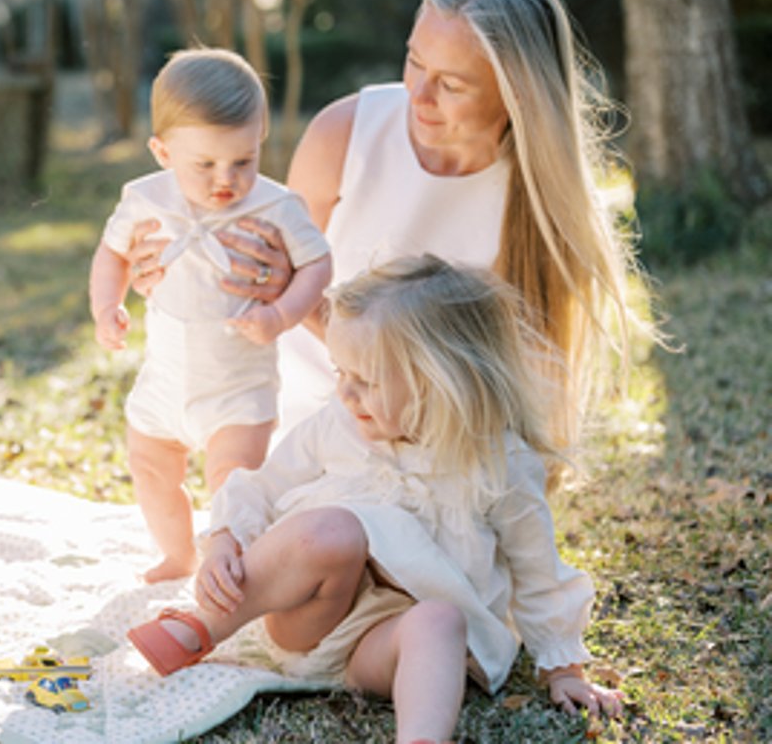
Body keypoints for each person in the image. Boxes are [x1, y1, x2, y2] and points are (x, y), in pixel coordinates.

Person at [121, 0, 643, 450]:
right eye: (415, 61)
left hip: (445, 441)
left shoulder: (539, 203)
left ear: (518, 95)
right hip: (313, 419)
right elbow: (242, 266)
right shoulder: (345, 135)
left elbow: (513, 392)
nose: (417, 95)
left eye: (452, 84)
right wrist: (165, 266)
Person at [125, 255, 623, 743]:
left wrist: (565, 669)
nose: (346, 393)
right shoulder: (340, 427)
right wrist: (224, 542)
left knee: (442, 620)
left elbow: (538, 572)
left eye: (366, 381)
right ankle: (202, 626)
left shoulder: (500, 465)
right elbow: (260, 487)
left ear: (441, 382)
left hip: (384, 647)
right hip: (313, 615)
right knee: (332, 531)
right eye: (341, 373)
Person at [89, 48, 333, 582]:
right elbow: (112, 253)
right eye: (205, 165)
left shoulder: (275, 205)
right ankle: (177, 554)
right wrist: (107, 307)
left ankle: (234, 565)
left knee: (233, 481)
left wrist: (283, 315)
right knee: (150, 466)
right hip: (165, 379)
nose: (226, 179)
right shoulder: (143, 198)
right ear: (161, 151)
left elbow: (318, 264)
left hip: (238, 388)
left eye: (243, 161)